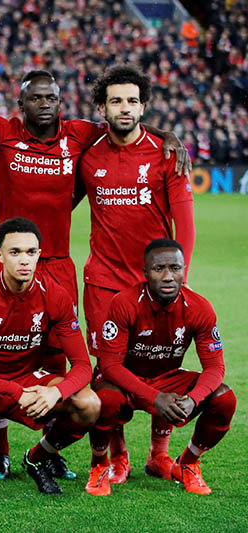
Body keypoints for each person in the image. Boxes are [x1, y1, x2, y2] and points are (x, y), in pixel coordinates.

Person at [0, 69, 188, 481]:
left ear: (61, 102)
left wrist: (167, 134)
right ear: (20, 104)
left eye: (52, 98)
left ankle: (47, 448)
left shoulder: (78, 135)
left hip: (56, 262)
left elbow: (122, 120)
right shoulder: (2, 129)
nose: (45, 104)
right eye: (36, 98)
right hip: (3, 260)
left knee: (56, 357)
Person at [78, 65, 196, 484]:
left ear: (143, 106)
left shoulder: (166, 154)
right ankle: (119, 453)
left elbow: (186, 226)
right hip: (104, 284)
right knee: (110, 369)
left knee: (159, 364)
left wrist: (179, 280)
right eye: (116, 100)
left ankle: (159, 454)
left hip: (154, 283)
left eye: (132, 100)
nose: (124, 108)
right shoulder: (87, 156)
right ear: (102, 107)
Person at [0, 217, 99, 497]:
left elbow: (82, 366)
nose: (24, 260)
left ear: (39, 254)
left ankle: (37, 458)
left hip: (27, 380)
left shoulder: (55, 296)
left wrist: (57, 393)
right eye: (15, 252)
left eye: (31, 252)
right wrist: (15, 391)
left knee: (89, 403)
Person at [85, 239, 235, 496]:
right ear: (144, 273)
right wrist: (155, 397)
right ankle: (103, 464)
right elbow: (109, 366)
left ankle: (187, 463)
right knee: (105, 399)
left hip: (166, 378)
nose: (168, 276)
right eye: (159, 269)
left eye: (175, 268)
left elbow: (215, 367)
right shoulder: (124, 303)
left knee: (224, 398)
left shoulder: (200, 307)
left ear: (184, 270)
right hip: (124, 380)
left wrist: (193, 399)